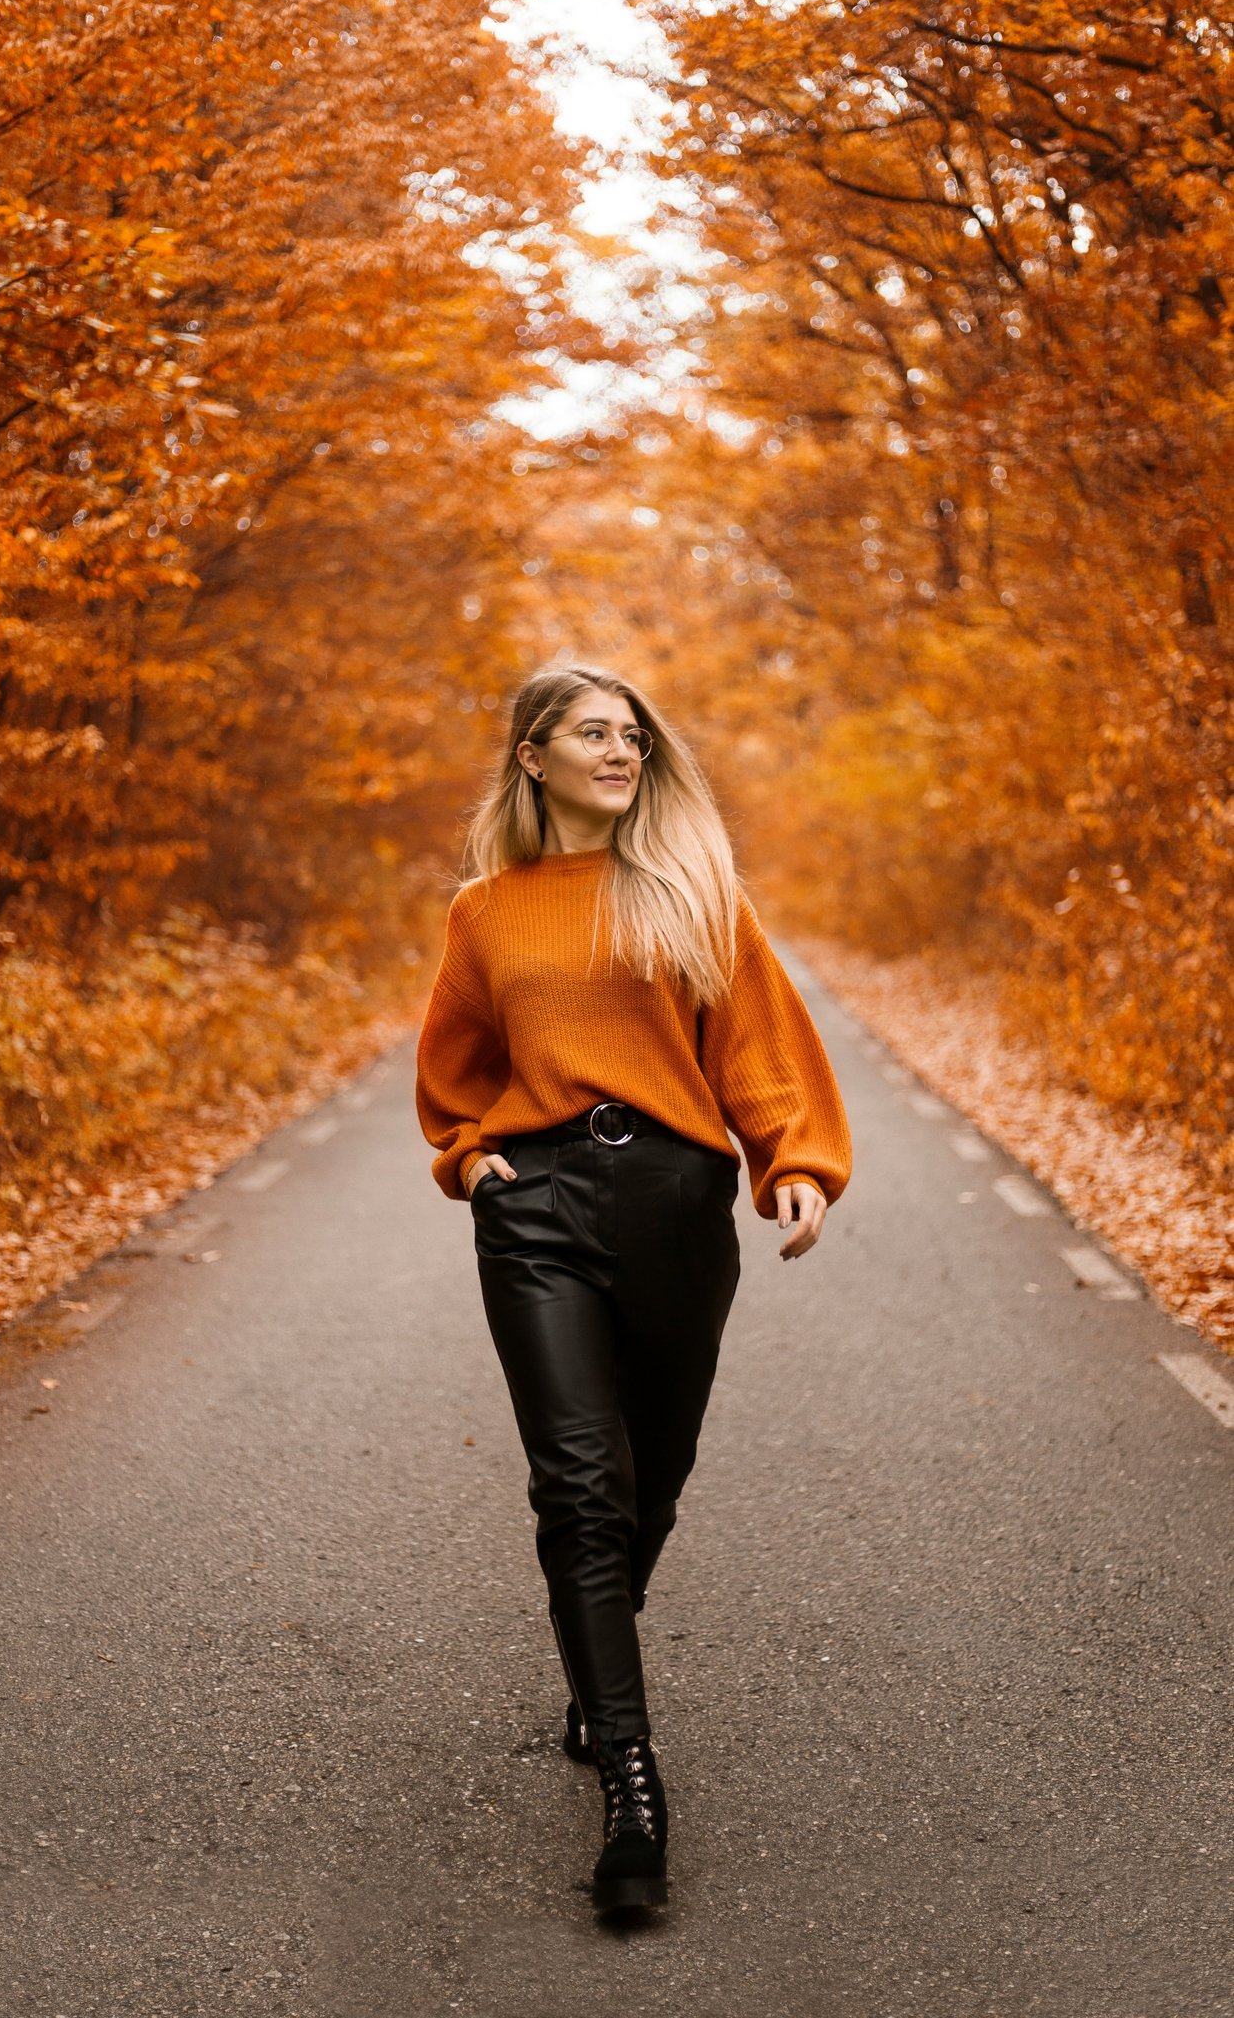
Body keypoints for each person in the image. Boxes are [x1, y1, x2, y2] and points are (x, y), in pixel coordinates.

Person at [415, 662, 852, 1914]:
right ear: (532, 757)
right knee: (578, 1486)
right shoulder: (485, 911)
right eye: (594, 734)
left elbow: (758, 1044)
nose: (622, 753)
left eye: (635, 739)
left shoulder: (692, 888)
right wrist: (468, 1155)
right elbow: (453, 1062)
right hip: (536, 1208)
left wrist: (796, 1161)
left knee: (649, 1476)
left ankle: (589, 1674)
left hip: (673, 1203)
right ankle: (632, 1778)